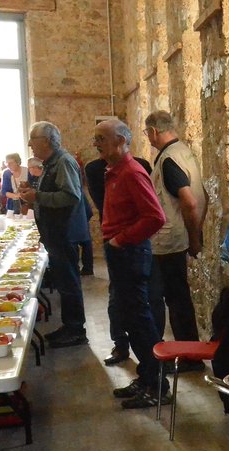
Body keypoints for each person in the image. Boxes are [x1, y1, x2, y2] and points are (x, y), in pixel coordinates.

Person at [94, 119, 169, 408]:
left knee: (139, 321)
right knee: (130, 319)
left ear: (122, 141)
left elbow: (155, 217)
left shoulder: (132, 173)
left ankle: (158, 385)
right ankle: (147, 377)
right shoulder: (113, 171)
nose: (96, 143)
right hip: (121, 252)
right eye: (95, 138)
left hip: (130, 253)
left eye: (102, 138)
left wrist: (120, 240)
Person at [144, 111, 207, 370]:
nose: (148, 138)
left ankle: (187, 358)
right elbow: (203, 196)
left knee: (172, 299)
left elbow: (190, 201)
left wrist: (194, 238)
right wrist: (196, 232)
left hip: (169, 242)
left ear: (154, 132)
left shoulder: (169, 160)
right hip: (177, 237)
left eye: (147, 133)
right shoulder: (184, 152)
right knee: (178, 298)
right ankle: (189, 354)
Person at [19, 122, 91, 348]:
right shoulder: (51, 163)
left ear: (47, 141)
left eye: (33, 138)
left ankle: (76, 330)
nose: (30, 143)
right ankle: (70, 326)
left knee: (69, 282)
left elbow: (70, 196)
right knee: (63, 281)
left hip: (65, 233)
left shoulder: (63, 162)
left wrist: (37, 197)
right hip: (56, 233)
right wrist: (32, 194)